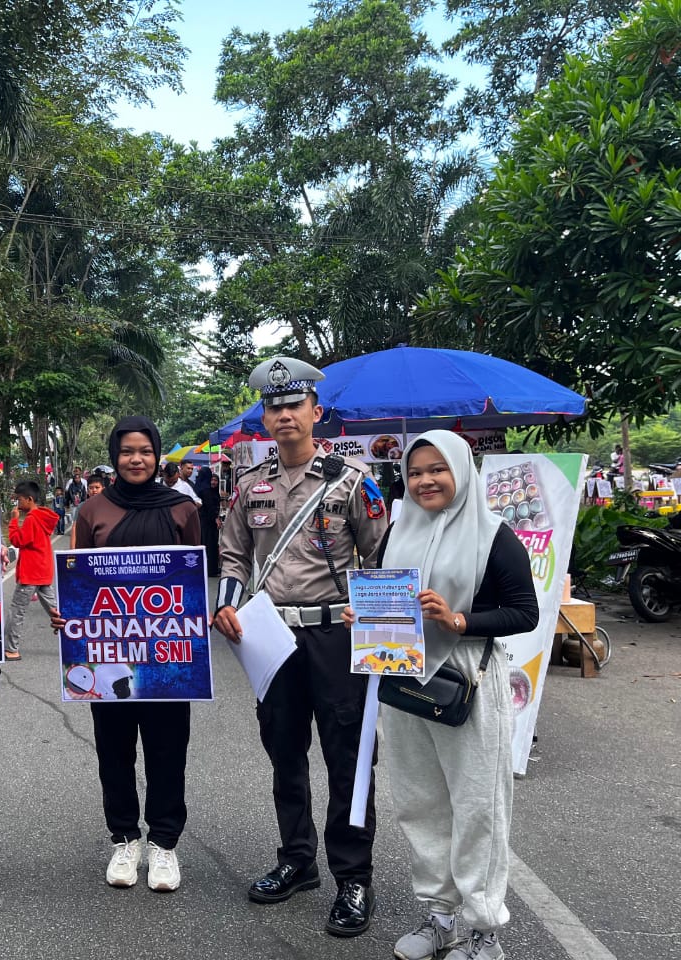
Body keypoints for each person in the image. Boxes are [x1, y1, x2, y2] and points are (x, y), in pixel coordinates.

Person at [343, 432, 538, 960]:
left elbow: (525, 612)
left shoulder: (494, 535)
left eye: (437, 469)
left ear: (461, 472)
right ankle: (441, 916)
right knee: (420, 803)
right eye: (416, 472)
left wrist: (459, 619)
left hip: (468, 679)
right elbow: (386, 598)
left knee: (477, 805)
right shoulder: (397, 532)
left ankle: (484, 932)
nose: (425, 480)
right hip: (403, 680)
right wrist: (362, 616)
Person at [212, 356, 388, 937]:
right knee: (284, 752)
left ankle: (353, 877)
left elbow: (382, 555)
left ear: (316, 413)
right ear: (265, 418)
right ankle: (296, 858)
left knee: (347, 757)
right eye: (274, 406)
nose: (284, 414)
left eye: (294, 405)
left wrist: (378, 607)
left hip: (335, 635)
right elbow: (235, 555)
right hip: (271, 637)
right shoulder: (248, 488)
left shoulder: (351, 482)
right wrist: (226, 603)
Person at [58, 416, 201, 893]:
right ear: (115, 456)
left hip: (168, 657)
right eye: (126, 452)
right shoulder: (93, 510)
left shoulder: (182, 509)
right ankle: (124, 839)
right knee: (114, 751)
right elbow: (77, 580)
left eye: (144, 451)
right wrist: (68, 616)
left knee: (168, 750)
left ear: (157, 455)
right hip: (105, 658)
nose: (135, 459)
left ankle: (164, 844)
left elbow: (197, 579)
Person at [4, 479, 59, 662]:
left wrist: (13, 521)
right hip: (43, 571)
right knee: (55, 611)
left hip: (30, 574)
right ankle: (75, 640)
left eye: (19, 499)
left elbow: (17, 541)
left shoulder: (31, 519)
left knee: (16, 612)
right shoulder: (43, 517)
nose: (18, 503)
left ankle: (11, 649)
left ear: (29, 499)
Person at [194, 466, 221, 574]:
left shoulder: (197, 487)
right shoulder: (206, 490)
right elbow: (210, 506)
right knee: (210, 545)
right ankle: (211, 569)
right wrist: (215, 518)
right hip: (208, 522)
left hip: (200, 520)